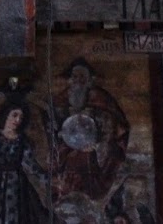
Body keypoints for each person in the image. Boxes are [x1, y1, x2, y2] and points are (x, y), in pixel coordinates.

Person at [49, 58, 130, 200]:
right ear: (70, 79)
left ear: (89, 80)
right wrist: (60, 133)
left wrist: (99, 144)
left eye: (82, 76)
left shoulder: (101, 98)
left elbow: (116, 125)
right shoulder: (61, 99)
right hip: (67, 147)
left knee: (90, 177)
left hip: (93, 147)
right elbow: (52, 124)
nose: (78, 80)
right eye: (75, 76)